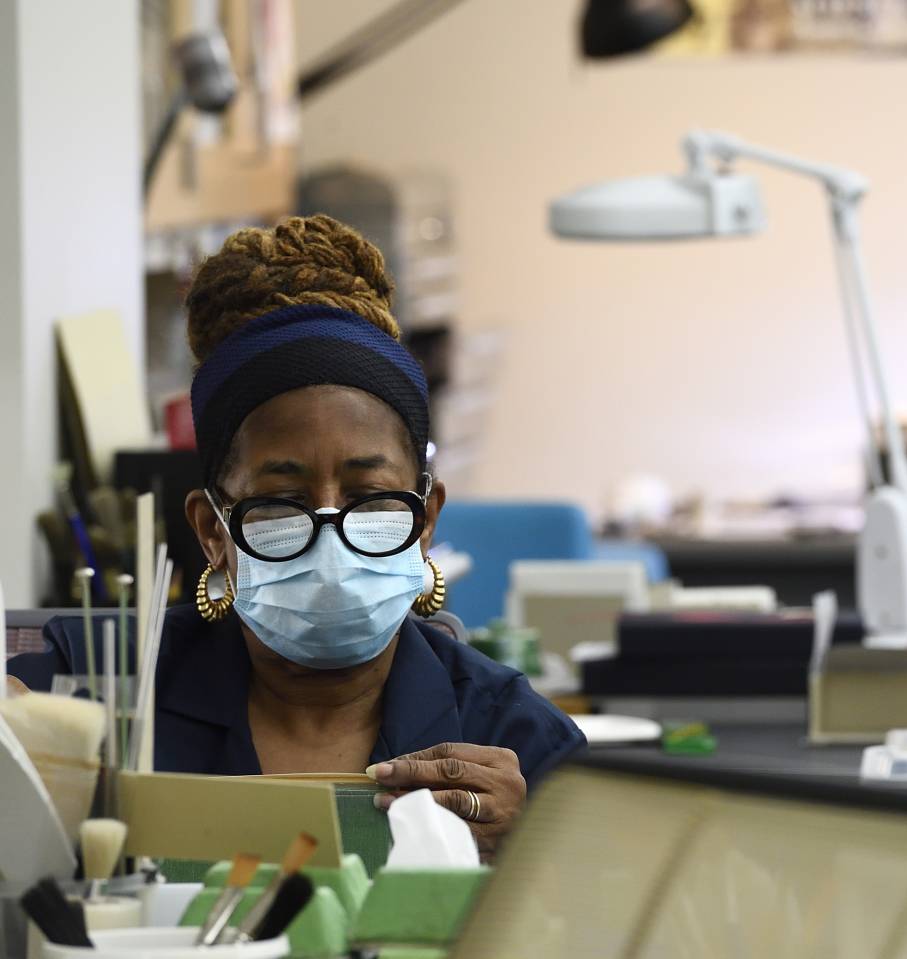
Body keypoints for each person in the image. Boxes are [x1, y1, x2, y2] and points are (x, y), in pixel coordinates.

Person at [11, 215, 585, 854]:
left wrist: (535, 857)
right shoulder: (98, 687)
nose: (331, 543)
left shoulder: (515, 740)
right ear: (212, 531)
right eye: (283, 504)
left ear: (424, 521)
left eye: (369, 500)